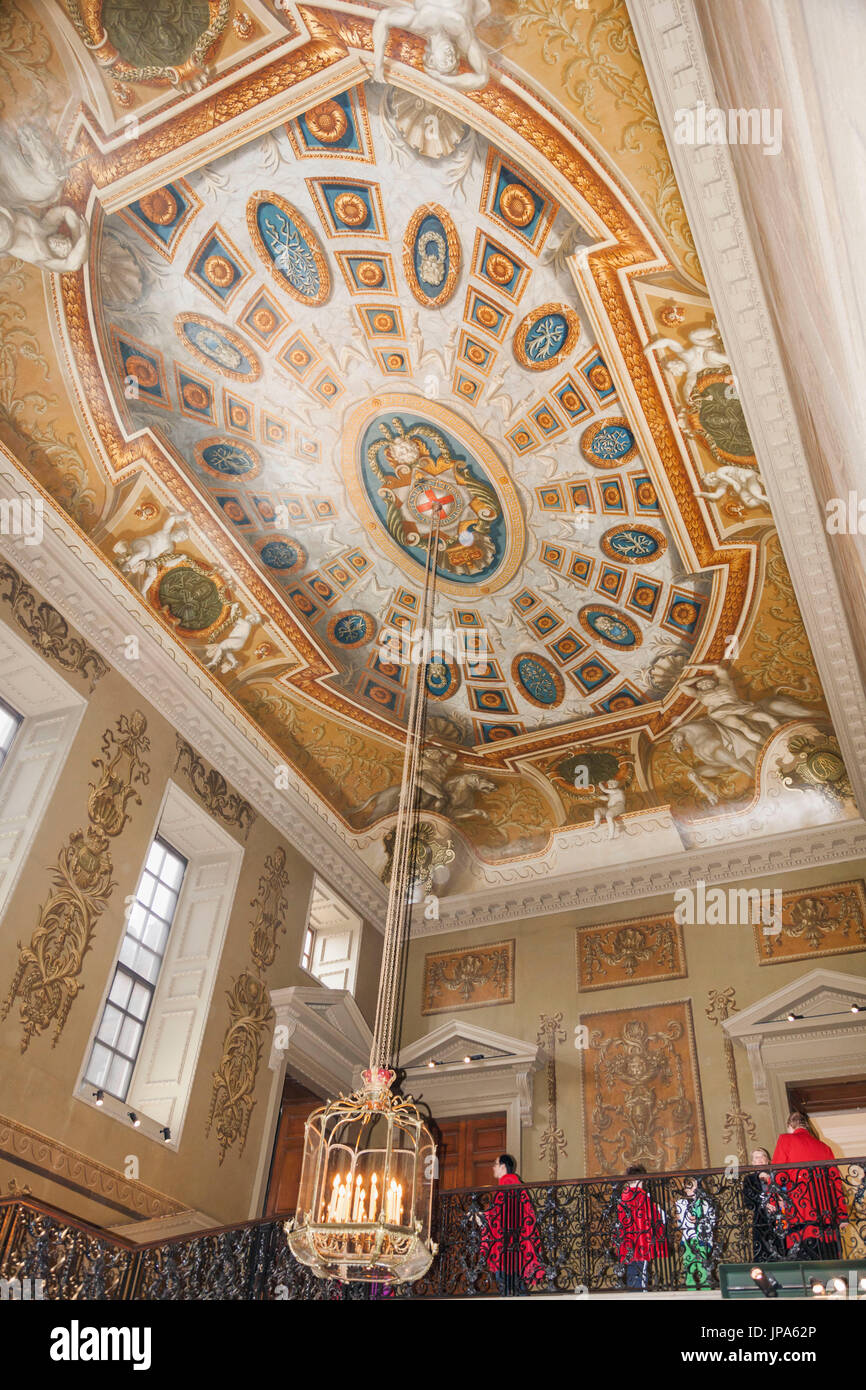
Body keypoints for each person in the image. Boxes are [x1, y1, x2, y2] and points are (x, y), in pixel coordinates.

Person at [771, 1112, 847, 1258]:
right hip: (826, 1216)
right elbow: (836, 1182)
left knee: (804, 1264)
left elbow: (777, 1174)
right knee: (829, 1261)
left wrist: (773, 1200)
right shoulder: (824, 1147)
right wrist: (842, 1215)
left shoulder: (786, 1139)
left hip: (800, 1212)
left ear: (790, 1126)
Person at [478, 1154, 545, 1295]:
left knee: (509, 1288)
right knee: (515, 1286)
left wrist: (483, 1216)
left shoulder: (508, 1181)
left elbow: (503, 1213)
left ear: (503, 1167)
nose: (493, 1167)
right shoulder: (512, 1182)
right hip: (512, 1244)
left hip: (507, 1245)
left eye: (495, 1164)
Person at [615, 1165, 668, 1291]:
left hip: (627, 1243)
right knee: (642, 1273)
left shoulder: (623, 1198)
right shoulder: (643, 1197)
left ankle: (632, 1294)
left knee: (631, 1272)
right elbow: (653, 1217)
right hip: (641, 1243)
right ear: (642, 1181)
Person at [741, 1147, 791, 1261]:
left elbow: (785, 1192)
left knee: (781, 1249)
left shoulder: (777, 1176)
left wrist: (781, 1201)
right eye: (756, 1158)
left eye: (762, 1156)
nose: (759, 1160)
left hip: (780, 1218)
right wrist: (764, 1203)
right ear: (753, 1163)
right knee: (762, 1251)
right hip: (761, 1219)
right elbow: (748, 1201)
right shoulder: (749, 1179)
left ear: (768, 1160)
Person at [675, 1176, 717, 1289]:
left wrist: (700, 1220)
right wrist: (682, 1219)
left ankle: (706, 1291)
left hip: (702, 1238)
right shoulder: (681, 1203)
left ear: (698, 1186)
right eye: (686, 1185)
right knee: (689, 1267)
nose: (687, 1188)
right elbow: (680, 1224)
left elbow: (712, 1221)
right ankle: (691, 1290)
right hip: (689, 1239)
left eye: (691, 1184)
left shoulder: (707, 1203)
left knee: (703, 1267)